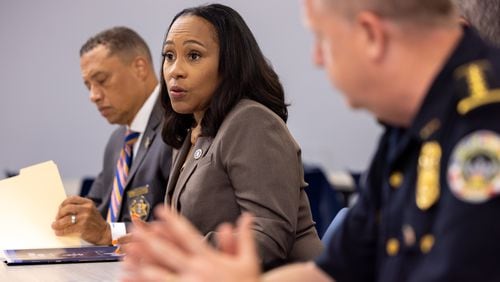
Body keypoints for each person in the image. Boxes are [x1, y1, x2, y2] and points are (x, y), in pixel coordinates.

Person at [122, 0, 500, 281]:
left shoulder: (482, 124)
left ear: (371, 34)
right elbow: (332, 272)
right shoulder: (407, 130)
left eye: (324, 38)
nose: (317, 58)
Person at [136, 3, 323, 270]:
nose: (174, 70)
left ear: (229, 64)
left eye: (194, 56)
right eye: (169, 55)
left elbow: (268, 236)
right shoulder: (192, 132)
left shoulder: (251, 122)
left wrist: (180, 250)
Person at [51, 27, 172, 246]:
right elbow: (95, 210)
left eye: (102, 80)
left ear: (139, 68)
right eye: (88, 85)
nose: (93, 96)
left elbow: (185, 227)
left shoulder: (177, 126)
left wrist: (110, 233)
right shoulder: (118, 141)